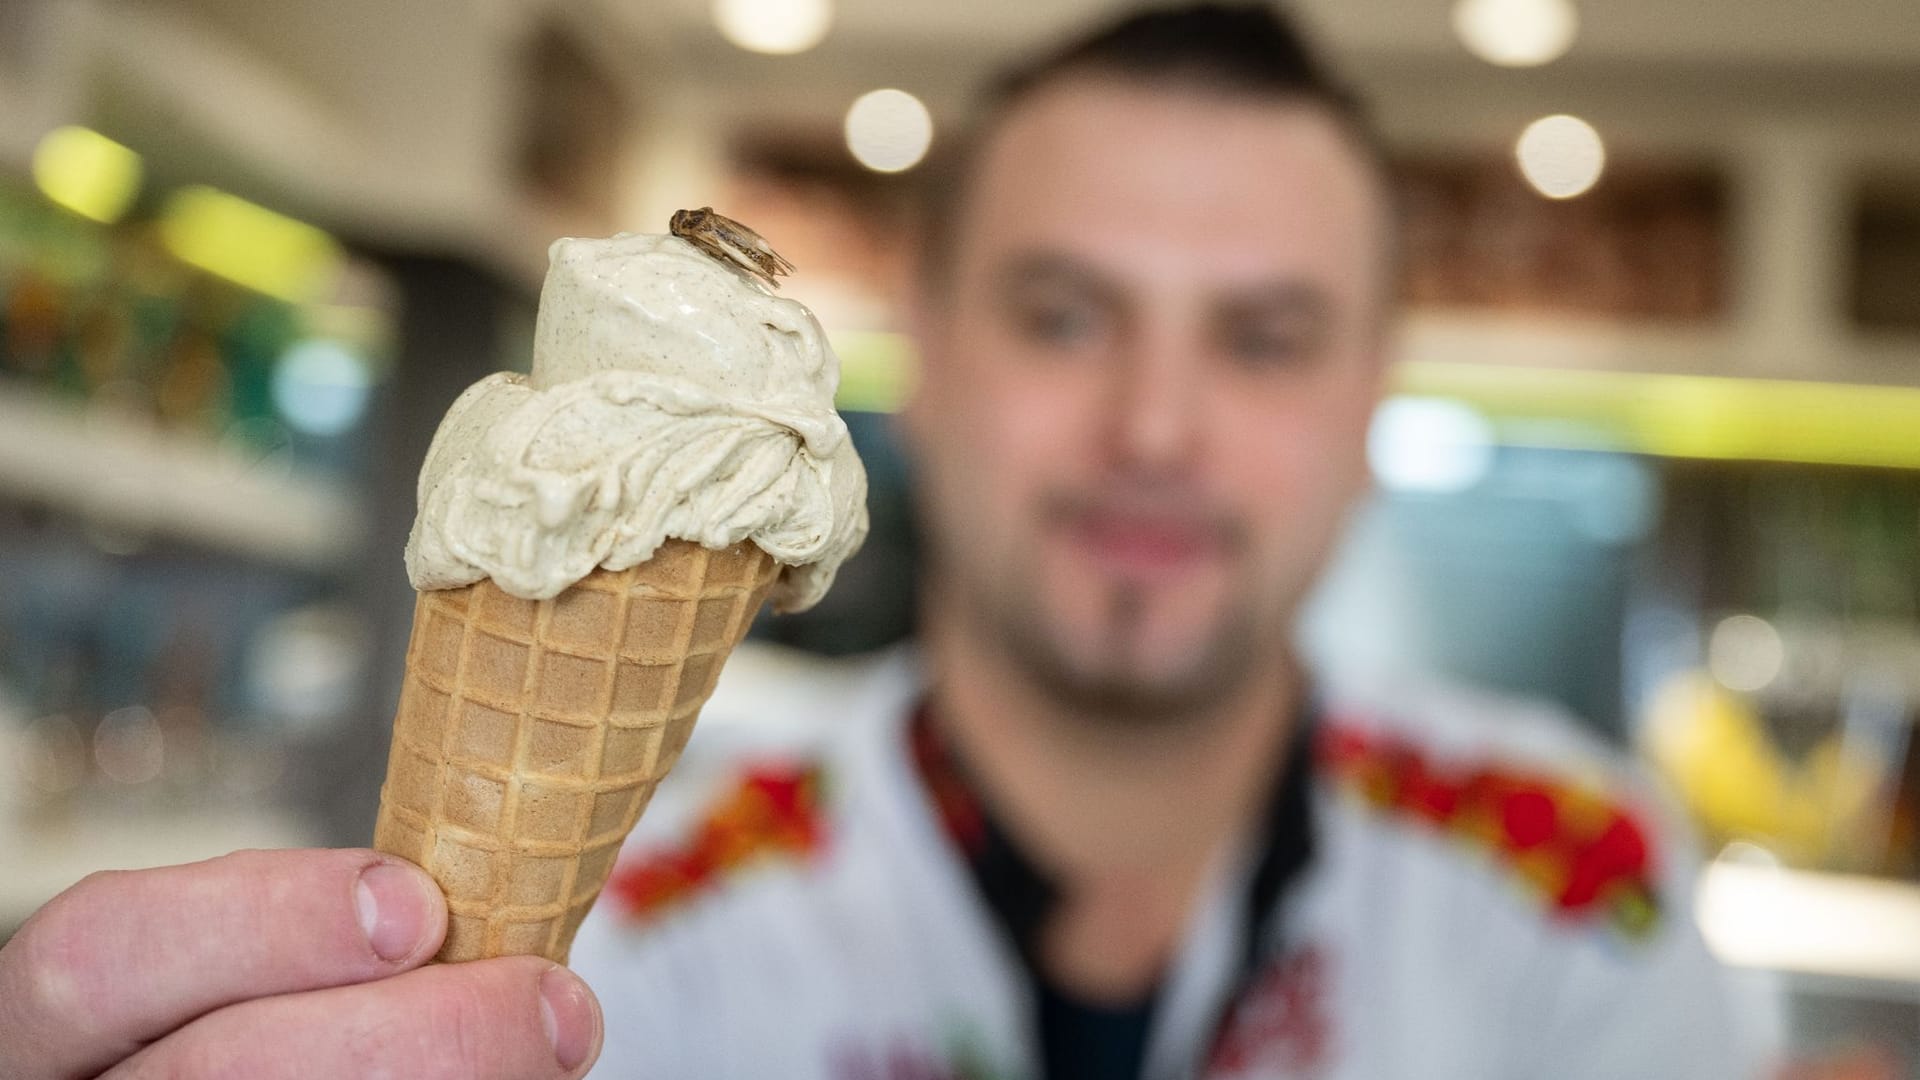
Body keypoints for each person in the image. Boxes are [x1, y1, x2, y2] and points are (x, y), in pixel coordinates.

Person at [0, 4, 1762, 1079]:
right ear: (930, 339)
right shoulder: (627, 931)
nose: (1155, 427)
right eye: (1066, 316)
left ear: (1374, 387)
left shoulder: (1583, 894)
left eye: (1264, 337)